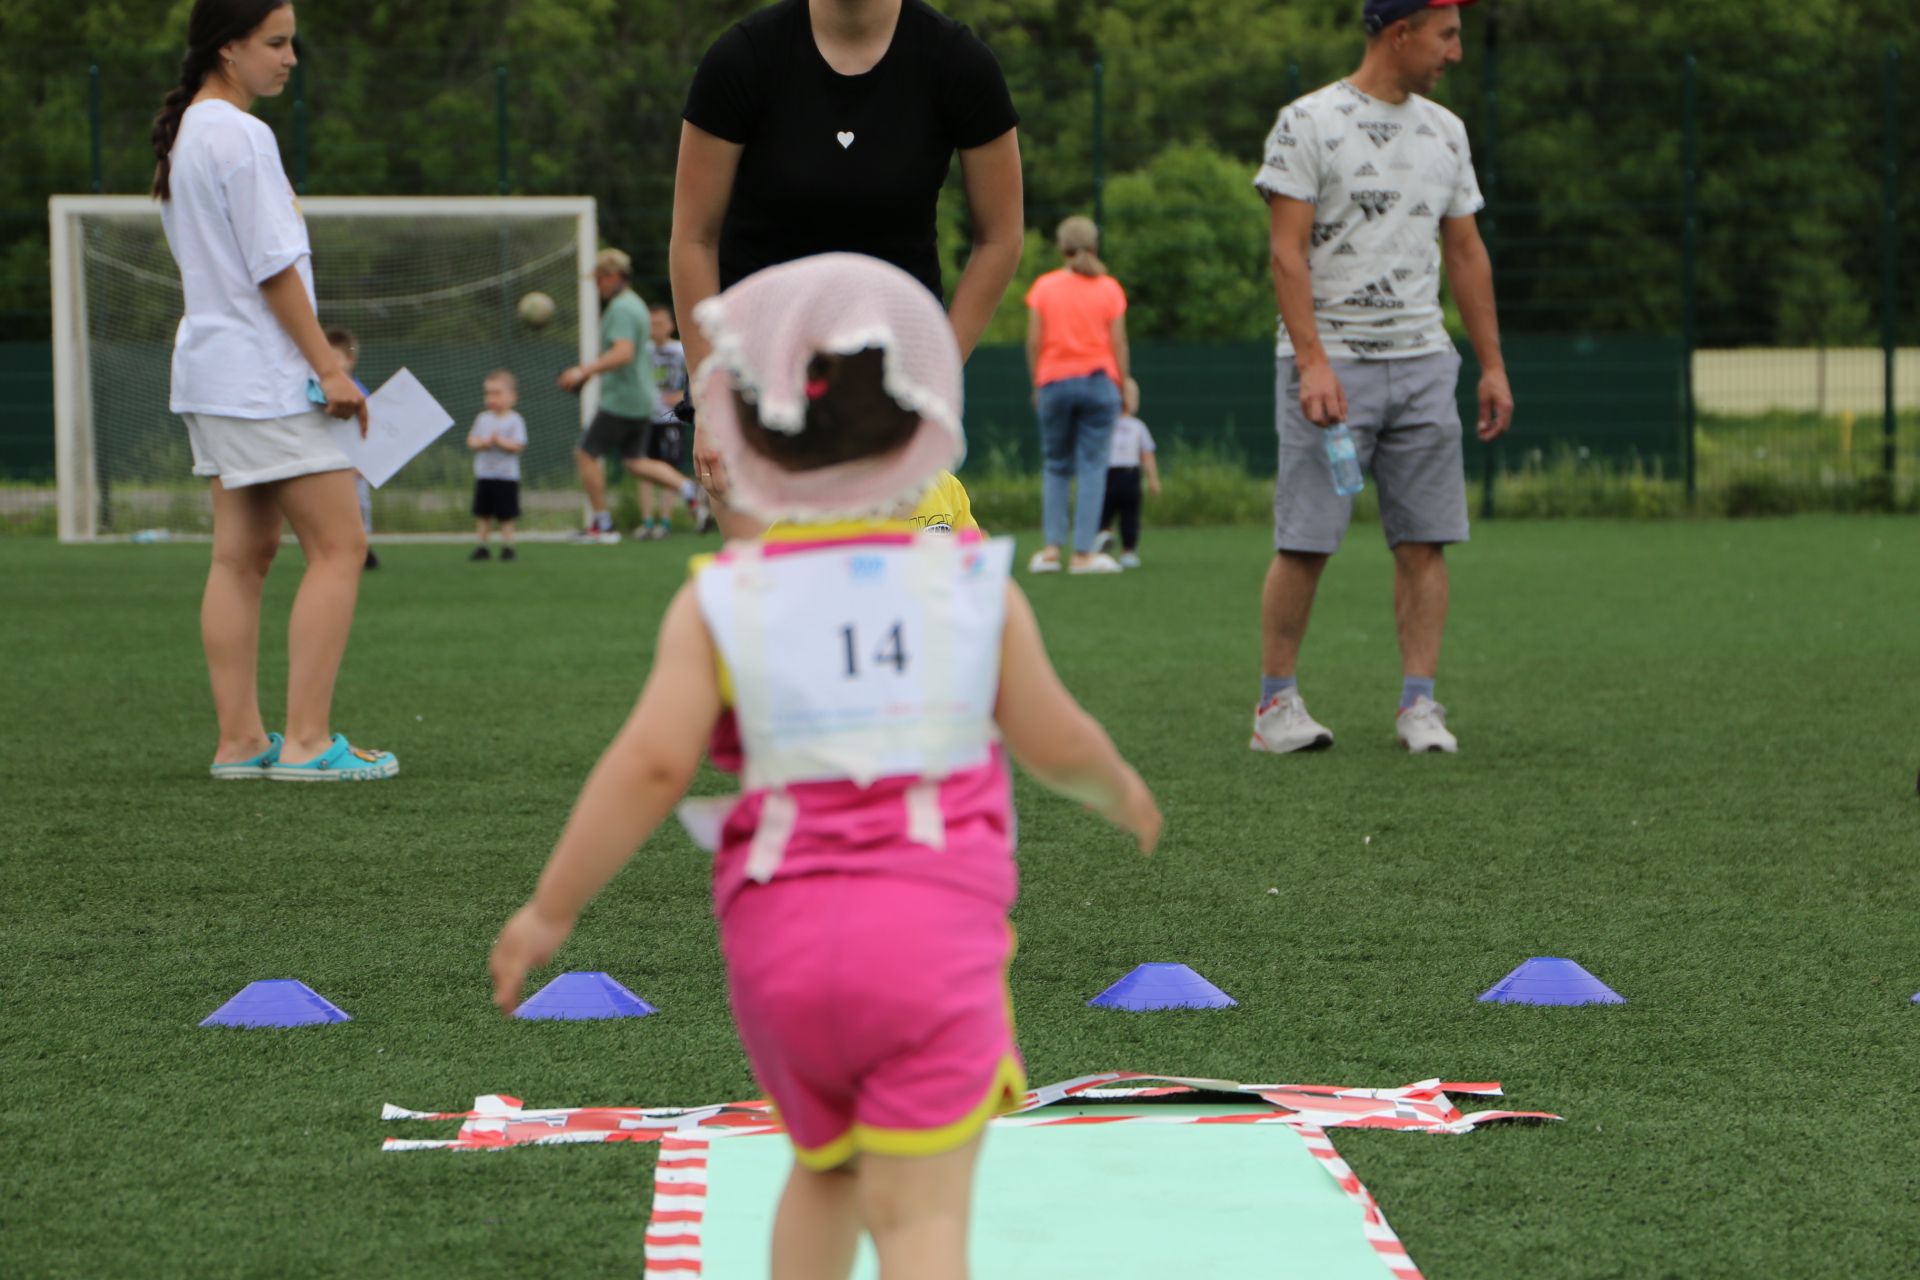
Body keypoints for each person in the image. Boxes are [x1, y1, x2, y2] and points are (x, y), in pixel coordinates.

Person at [490, 254, 1159, 1280]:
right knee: (922, 1218)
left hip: (786, 954)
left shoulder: (723, 598)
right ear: (919, 429)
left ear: (751, 441)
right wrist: (1116, 785)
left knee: (824, 1170)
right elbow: (1054, 735)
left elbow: (653, 764)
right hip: (934, 944)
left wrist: (550, 907)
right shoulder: (973, 590)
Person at [1249, 0, 1514, 756]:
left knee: (1426, 541)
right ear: (1402, 32)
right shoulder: (1307, 121)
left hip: (1426, 362)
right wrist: (1312, 363)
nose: (1456, 52)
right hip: (1332, 368)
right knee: (1305, 540)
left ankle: (1418, 707)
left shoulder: (1447, 132)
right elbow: (1287, 254)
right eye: (1447, 34)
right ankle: (1276, 709)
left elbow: (1465, 253)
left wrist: (1490, 364)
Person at [669, 0, 1026, 538]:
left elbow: (1001, 237)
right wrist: (710, 398)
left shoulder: (958, 63)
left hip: (889, 394)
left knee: (915, 609)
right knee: (775, 612)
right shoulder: (743, 58)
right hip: (760, 391)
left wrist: (933, 375)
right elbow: (693, 238)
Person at [152, 0, 396, 782]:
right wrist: (329, 367)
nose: (291, 58)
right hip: (264, 378)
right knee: (340, 546)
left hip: (213, 374)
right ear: (228, 49)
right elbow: (273, 269)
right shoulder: (242, 133)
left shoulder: (191, 131)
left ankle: (240, 743)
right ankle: (304, 743)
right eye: (275, 43)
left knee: (242, 557)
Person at [558, 248, 702, 543]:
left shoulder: (622, 308)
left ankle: (603, 525)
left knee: (585, 454)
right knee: (635, 460)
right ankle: (690, 491)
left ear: (612, 276)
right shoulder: (636, 304)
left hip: (622, 398)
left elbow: (623, 353)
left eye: (599, 279)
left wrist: (583, 372)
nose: (597, 285)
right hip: (641, 398)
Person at [1024, 216, 1129, 575]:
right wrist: (1123, 383)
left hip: (1054, 383)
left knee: (1056, 465)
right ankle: (1083, 555)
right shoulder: (1110, 289)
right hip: (1100, 384)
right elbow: (1118, 342)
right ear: (1095, 246)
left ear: (1061, 247)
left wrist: (1038, 383)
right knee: (1092, 468)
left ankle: (1051, 551)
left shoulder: (1044, 287)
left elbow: (1034, 342)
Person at [323, 326, 378, 570]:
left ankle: (363, 548)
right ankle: (329, 551)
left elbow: (368, 429)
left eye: (336, 357)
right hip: (328, 463)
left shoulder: (359, 393)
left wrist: (364, 461)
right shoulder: (318, 390)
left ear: (350, 359)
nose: (331, 363)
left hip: (354, 464)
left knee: (360, 506)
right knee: (329, 509)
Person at [640, 302, 692, 540]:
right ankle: (647, 522)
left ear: (670, 325)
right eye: (651, 324)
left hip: (671, 419)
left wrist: (683, 396)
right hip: (645, 419)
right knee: (645, 469)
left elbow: (696, 377)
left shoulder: (680, 350)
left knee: (668, 469)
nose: (656, 328)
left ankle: (666, 521)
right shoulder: (643, 351)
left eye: (660, 323)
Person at [1096, 377, 1161, 569]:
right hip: (1108, 474)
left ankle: (1127, 550)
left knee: (1129, 515)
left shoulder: (1137, 427)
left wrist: (1153, 479)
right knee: (1104, 512)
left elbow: (1147, 454)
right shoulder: (1103, 425)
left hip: (1129, 475)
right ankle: (1105, 540)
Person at [467, 370, 527, 561]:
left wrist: (500, 442)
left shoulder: (515, 420)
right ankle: (482, 546)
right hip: (485, 475)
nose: (491, 398)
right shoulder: (483, 418)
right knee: (483, 513)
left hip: (506, 477)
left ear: (512, 397)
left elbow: (518, 445)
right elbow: (471, 441)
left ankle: (508, 546)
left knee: (506, 515)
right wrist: (482, 443)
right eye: (488, 393)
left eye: (497, 393)